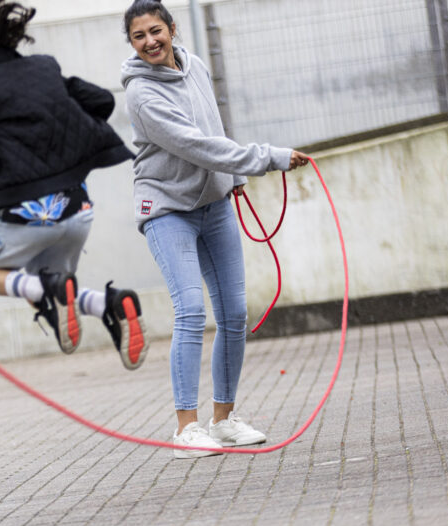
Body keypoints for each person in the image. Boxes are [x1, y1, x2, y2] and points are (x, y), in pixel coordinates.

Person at [120, 0, 311, 458]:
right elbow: (197, 146)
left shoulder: (196, 66)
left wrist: (235, 178)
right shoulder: (141, 94)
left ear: (172, 28)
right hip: (167, 209)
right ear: (131, 43)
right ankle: (186, 429)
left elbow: (214, 127)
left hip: (215, 204)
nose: (150, 42)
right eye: (139, 36)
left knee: (234, 313)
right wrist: (269, 157)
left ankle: (223, 421)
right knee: (190, 310)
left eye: (155, 31)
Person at [0, 0, 149, 370]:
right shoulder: (44, 68)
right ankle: (113, 304)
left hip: (25, 218)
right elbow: (101, 100)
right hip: (77, 212)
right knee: (43, 287)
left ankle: (53, 289)